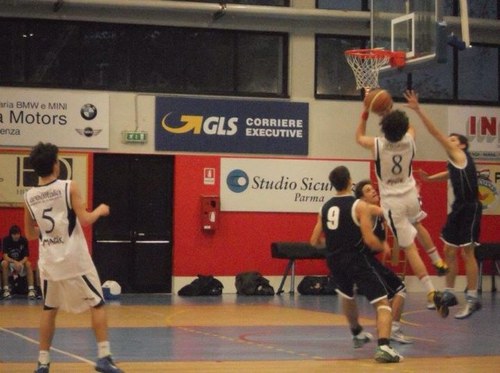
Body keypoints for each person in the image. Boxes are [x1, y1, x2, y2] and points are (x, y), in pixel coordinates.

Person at [23, 142, 124, 373]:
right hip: (74, 259)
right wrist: (100, 209)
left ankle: (43, 362)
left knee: (49, 309)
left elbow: (30, 234)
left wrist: (50, 232)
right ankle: (104, 357)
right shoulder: (69, 186)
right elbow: (86, 219)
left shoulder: (28, 197)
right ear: (55, 165)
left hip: (49, 261)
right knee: (97, 304)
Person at [355, 103, 454, 317]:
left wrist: (366, 112)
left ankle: (430, 291)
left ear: (384, 129)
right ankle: (438, 260)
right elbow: (408, 126)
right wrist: (389, 110)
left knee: (410, 249)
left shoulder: (378, 145)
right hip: (411, 194)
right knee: (418, 223)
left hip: (393, 202)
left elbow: (359, 137)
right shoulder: (409, 139)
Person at [310, 166, 403, 363]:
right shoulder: (358, 206)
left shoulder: (324, 207)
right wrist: (383, 245)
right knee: (383, 303)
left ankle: (356, 332)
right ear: (350, 181)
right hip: (355, 258)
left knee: (347, 294)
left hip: (334, 260)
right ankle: (384, 346)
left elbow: (314, 241)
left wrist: (334, 243)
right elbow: (369, 240)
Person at [404, 90, 482, 319]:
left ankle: (473, 297)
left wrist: (418, 110)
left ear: (462, 145)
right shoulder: (456, 162)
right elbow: (449, 174)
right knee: (449, 250)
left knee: (468, 252)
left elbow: (435, 132)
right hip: (459, 207)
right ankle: (449, 293)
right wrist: (430, 180)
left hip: (470, 207)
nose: (449, 141)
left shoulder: (458, 153)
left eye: (454, 139)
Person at [353, 179, 412, 344]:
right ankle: (393, 330)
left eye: (373, 188)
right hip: (363, 261)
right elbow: (389, 212)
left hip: (368, 260)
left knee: (388, 297)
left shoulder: (377, 215)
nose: (373, 191)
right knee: (399, 290)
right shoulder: (369, 209)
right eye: (368, 190)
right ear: (362, 198)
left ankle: (385, 328)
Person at [1, 225, 37, 299]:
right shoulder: (6, 240)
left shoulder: (24, 240)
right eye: (14, 234)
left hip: (21, 262)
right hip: (10, 263)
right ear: (11, 235)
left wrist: (20, 263)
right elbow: (5, 256)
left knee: (28, 264)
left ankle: (31, 290)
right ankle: (6, 290)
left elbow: (26, 257)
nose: (16, 236)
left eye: (18, 234)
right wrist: (15, 262)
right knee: (4, 263)